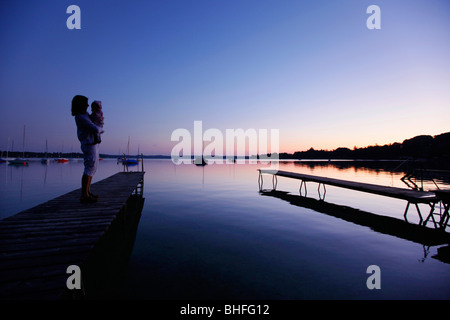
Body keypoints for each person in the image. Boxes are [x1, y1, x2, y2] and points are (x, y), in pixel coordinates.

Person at [71, 95, 103, 203]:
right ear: (81, 104)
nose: (88, 105)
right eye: (86, 103)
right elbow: (94, 128)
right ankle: (84, 195)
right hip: (88, 145)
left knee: (92, 169)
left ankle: (88, 192)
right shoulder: (80, 117)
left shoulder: (85, 115)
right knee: (88, 169)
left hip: (93, 144)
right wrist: (100, 129)